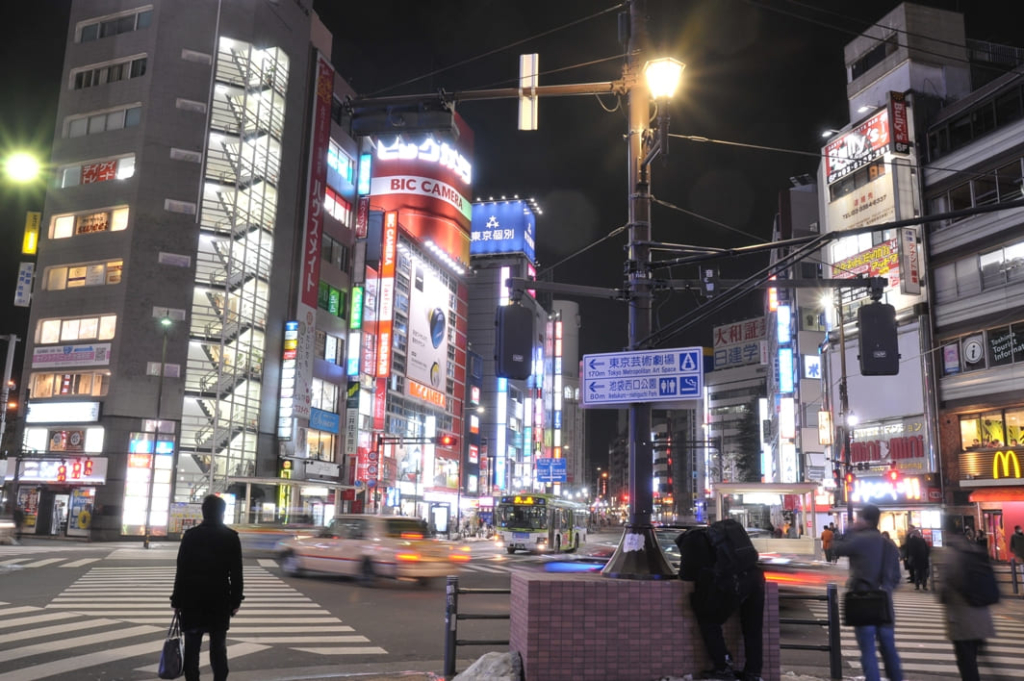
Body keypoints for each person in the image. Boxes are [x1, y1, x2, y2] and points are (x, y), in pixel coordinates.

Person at [677, 521, 764, 681]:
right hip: (755, 577)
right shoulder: (723, 536)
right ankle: (753, 672)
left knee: (709, 621)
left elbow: (687, 575)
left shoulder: (691, 540)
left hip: (732, 582)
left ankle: (723, 666)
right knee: (753, 628)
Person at [171, 495, 244, 681]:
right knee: (218, 648)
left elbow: (182, 571)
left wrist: (177, 600)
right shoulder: (231, 537)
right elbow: (236, 574)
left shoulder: (190, 536)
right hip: (218, 600)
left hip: (192, 599)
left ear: (203, 512)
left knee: (192, 650)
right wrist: (235, 600)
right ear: (222, 513)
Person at [833, 504, 903, 681]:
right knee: (889, 648)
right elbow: (896, 576)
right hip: (884, 601)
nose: (856, 521)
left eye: (859, 518)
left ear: (866, 520)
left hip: (863, 600)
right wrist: (886, 588)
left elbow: (836, 549)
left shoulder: (860, 540)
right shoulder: (889, 544)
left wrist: (850, 530)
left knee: (868, 650)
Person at [938, 522, 996, 681]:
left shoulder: (950, 554)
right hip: (981, 613)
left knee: (966, 662)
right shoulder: (974, 549)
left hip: (962, 618)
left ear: (948, 533)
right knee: (979, 656)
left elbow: (944, 589)